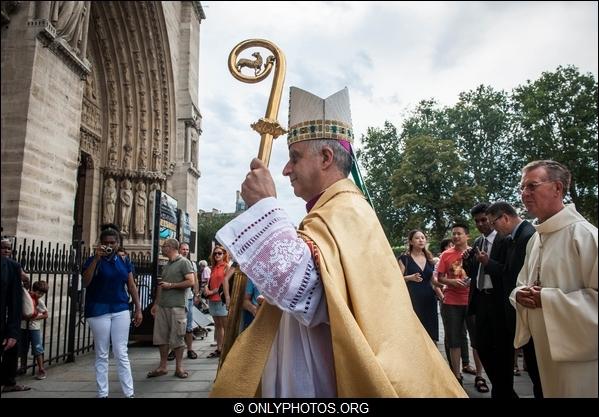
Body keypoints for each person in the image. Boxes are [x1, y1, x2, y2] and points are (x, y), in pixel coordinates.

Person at [210, 86, 465, 397]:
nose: (286, 169)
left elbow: (308, 291)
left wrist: (265, 205)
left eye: (294, 158)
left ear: (326, 157)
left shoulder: (347, 210)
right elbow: (327, 293)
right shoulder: (333, 210)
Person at [509, 160, 597, 397]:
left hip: (581, 357)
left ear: (557, 188)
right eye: (522, 188)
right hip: (544, 349)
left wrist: (546, 300)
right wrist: (520, 295)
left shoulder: (585, 236)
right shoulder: (536, 239)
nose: (524, 194)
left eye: (531, 186)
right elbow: (520, 284)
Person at [485, 201, 543, 398]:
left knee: (537, 372)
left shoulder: (528, 236)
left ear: (505, 218)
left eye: (493, 223)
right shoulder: (515, 237)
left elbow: (514, 275)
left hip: (527, 310)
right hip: (516, 309)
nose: (493, 228)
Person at [82, 226, 143, 398]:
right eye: (105, 242)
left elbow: (131, 286)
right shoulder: (93, 260)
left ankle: (129, 392)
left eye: (112, 242)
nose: (109, 245)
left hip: (120, 307)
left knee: (121, 351)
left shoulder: (124, 260)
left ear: (117, 244)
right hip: (98, 309)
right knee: (101, 352)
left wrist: (138, 308)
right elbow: (86, 282)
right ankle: (102, 393)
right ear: (100, 244)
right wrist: (96, 259)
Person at [462, 202, 507, 396]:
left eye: (484, 220)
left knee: (502, 350)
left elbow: (507, 272)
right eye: (477, 221)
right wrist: (467, 260)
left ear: (491, 218)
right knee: (480, 345)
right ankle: (499, 385)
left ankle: (503, 390)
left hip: (498, 301)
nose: (481, 224)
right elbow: (473, 272)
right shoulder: (478, 243)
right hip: (480, 300)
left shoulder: (504, 241)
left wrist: (488, 262)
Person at [437, 223, 483, 388]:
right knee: (454, 340)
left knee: (477, 341)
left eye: (459, 234)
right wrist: (451, 281)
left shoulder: (473, 253)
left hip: (472, 302)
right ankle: (456, 376)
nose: (456, 237)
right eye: (453, 234)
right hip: (451, 302)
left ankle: (480, 376)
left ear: (467, 236)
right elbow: (439, 278)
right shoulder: (445, 255)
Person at [147, 238, 194, 379]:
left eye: (164, 246)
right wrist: (156, 303)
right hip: (163, 306)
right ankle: (163, 367)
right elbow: (162, 285)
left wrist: (171, 285)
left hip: (177, 306)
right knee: (161, 338)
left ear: (171, 247)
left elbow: (191, 281)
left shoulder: (184, 262)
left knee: (178, 338)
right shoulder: (167, 264)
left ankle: (179, 368)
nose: (162, 248)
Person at [398, 230, 438, 341]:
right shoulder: (404, 259)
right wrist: (410, 278)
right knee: (416, 332)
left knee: (431, 332)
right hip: (413, 299)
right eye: (417, 238)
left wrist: (446, 284)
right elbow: (397, 280)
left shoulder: (430, 259)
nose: (421, 240)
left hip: (430, 299)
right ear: (411, 242)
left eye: (423, 238)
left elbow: (433, 281)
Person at [1, 242, 30, 393]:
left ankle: (9, 382)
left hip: (4, 320)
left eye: (8, 248)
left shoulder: (12, 266)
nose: (5, 250)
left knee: (11, 349)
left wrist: (12, 331)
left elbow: (15, 302)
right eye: (3, 247)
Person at [167, 242, 199, 361]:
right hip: (177, 298)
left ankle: (190, 349)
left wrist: (197, 294)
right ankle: (174, 350)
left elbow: (195, 280)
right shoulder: (173, 263)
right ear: (179, 250)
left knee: (188, 326)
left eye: (187, 249)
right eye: (183, 249)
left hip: (188, 298)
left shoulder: (191, 264)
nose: (185, 251)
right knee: (175, 325)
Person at [19, 280, 49, 380]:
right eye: (39, 293)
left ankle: (41, 369)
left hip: (34, 328)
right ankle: (23, 367)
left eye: (42, 294)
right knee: (23, 348)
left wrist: (34, 318)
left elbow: (45, 314)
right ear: (33, 290)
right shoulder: (27, 298)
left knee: (37, 349)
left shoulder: (39, 301)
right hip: (23, 327)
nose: (40, 295)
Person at [203, 246, 230, 359]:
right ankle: (219, 348)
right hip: (212, 299)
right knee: (218, 326)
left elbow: (224, 284)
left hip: (221, 299)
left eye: (219, 253)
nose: (217, 255)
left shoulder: (226, 267)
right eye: (215, 254)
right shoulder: (214, 267)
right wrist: (206, 289)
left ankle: (226, 349)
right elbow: (210, 282)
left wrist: (211, 291)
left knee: (225, 325)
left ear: (224, 254)